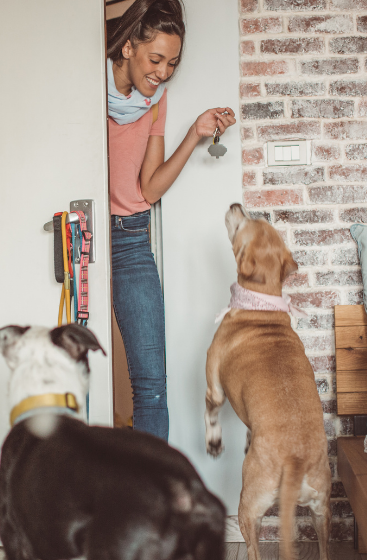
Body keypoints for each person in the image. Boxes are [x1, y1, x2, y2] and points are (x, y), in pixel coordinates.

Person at [107, 0, 237, 441]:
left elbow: (149, 189)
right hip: (82, 231)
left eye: (172, 63)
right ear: (127, 48)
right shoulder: (84, 85)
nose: (163, 73)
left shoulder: (155, 102)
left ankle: (150, 501)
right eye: (155, 59)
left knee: (151, 385)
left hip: (129, 240)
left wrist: (195, 133)